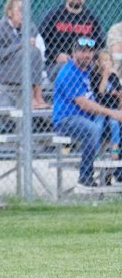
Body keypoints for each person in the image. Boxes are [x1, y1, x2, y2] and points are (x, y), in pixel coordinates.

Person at [52, 37, 122, 190]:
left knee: (116, 126)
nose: (86, 55)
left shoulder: (90, 70)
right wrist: (112, 112)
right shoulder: (69, 72)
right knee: (92, 129)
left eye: (89, 52)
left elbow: (105, 89)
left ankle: (119, 174)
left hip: (91, 117)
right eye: (82, 51)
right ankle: (85, 178)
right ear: (74, 53)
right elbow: (84, 103)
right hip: (67, 119)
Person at [0, 0, 50, 110]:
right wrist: (20, 45)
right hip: (2, 68)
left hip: (23, 67)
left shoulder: (29, 26)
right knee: (27, 53)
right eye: (20, 10)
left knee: (34, 51)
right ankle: (31, 98)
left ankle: (38, 97)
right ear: (9, 13)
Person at [39, 0, 102, 82]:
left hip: (85, 63)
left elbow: (99, 44)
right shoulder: (54, 16)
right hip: (58, 64)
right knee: (66, 70)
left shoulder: (91, 18)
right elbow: (41, 40)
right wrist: (56, 55)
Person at [93, 48, 122, 159]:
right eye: (104, 60)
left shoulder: (114, 77)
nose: (108, 63)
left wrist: (118, 95)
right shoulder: (95, 76)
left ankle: (115, 148)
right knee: (98, 125)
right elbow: (100, 92)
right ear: (98, 63)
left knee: (114, 123)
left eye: (109, 60)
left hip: (113, 107)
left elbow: (119, 93)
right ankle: (96, 151)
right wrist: (105, 75)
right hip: (100, 108)